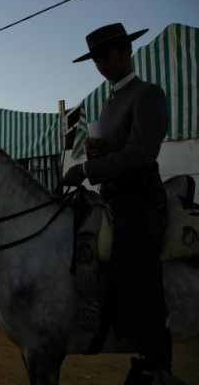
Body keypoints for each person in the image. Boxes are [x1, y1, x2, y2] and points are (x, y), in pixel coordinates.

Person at [63, 23, 174, 383]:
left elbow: (141, 153)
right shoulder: (109, 103)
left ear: (127, 52)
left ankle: (157, 359)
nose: (102, 66)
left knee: (135, 261)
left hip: (139, 198)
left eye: (107, 57)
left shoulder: (148, 94)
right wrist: (98, 151)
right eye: (96, 60)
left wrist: (87, 166)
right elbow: (119, 150)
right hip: (110, 194)